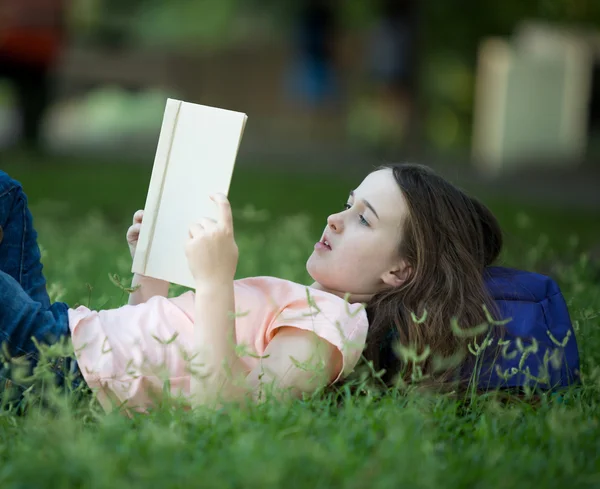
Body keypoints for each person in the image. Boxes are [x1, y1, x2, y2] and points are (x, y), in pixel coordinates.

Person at [0, 164, 577, 414]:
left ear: (400, 272)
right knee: (8, 197)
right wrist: (149, 275)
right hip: (72, 338)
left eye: (364, 219)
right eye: (348, 204)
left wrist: (215, 279)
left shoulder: (332, 330)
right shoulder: (307, 301)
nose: (334, 219)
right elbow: (145, 342)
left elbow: (223, 407)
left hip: (62, 373)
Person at [0, 0, 67, 149]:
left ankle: (30, 140)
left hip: (35, 50)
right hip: (22, 47)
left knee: (34, 98)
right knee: (34, 98)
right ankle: (30, 141)